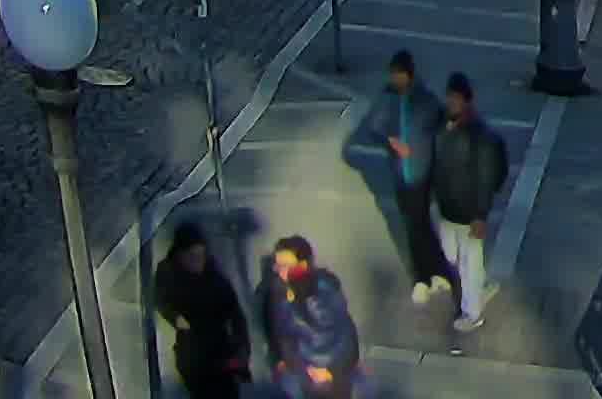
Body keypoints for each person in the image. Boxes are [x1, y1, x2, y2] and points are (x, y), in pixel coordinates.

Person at [344, 51, 447, 300]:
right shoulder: (388, 99)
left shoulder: (425, 99)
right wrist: (390, 141)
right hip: (402, 174)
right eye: (393, 75)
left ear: (409, 75)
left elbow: (443, 124)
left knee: (419, 224)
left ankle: (432, 273)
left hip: (422, 173)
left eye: (398, 75)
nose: (394, 79)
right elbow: (373, 128)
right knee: (415, 225)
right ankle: (426, 276)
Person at [428, 73, 511, 331]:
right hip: (447, 208)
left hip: (468, 213)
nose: (451, 102)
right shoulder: (442, 125)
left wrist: (480, 214)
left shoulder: (480, 136)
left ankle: (472, 312)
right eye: (449, 97)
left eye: (456, 98)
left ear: (467, 101)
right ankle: (479, 285)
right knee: (451, 257)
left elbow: (487, 178)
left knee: (468, 262)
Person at [154, 220, 250, 399]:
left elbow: (236, 315)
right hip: (194, 357)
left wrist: (243, 351)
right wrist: (177, 319)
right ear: (179, 256)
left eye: (201, 256)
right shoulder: (168, 273)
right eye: (192, 256)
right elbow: (160, 300)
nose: (198, 262)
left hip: (222, 353)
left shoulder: (215, 277)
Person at [262, 236, 360, 397]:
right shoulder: (280, 295)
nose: (280, 271)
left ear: (304, 266)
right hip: (304, 376)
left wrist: (331, 372)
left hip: (332, 375)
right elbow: (284, 336)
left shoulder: (325, 295)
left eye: (286, 266)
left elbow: (344, 336)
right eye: (278, 265)